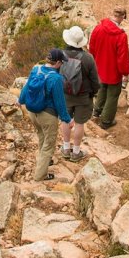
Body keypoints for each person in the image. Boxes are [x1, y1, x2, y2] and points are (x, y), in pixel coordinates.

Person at [17, 48, 72, 182]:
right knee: (49, 144)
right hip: (47, 115)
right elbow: (59, 102)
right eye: (62, 62)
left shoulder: (36, 69)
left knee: (41, 136)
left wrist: (20, 100)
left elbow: (26, 87)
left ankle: (42, 162)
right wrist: (67, 119)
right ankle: (40, 176)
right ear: (57, 62)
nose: (62, 65)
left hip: (32, 112)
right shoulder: (56, 78)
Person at [58, 25, 99, 162]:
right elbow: (94, 80)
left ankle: (65, 148)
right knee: (80, 123)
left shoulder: (61, 56)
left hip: (65, 95)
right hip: (83, 96)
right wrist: (93, 92)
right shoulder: (88, 58)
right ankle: (76, 152)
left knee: (65, 120)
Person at [88, 7, 129, 128]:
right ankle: (106, 121)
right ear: (122, 17)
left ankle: (97, 112)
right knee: (113, 95)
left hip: (99, 67)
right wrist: (125, 72)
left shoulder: (98, 28)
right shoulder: (121, 35)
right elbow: (122, 57)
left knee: (102, 89)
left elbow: (92, 48)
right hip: (113, 71)